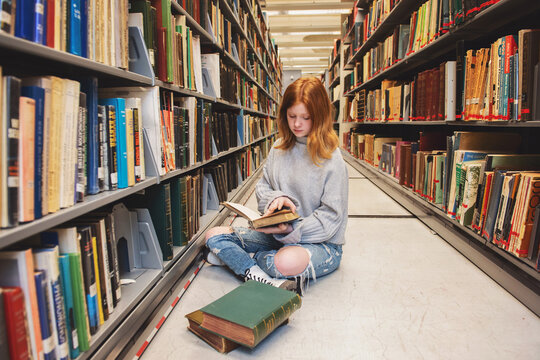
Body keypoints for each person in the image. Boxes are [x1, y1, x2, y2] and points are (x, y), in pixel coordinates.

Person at [204, 77, 348, 294]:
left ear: (319, 117)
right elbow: (263, 187)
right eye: (292, 116)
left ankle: (244, 262)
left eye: (305, 117)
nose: (297, 124)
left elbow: (331, 220)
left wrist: (293, 230)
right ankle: (263, 277)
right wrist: (277, 199)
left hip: (321, 244)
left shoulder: (332, 158)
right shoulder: (278, 148)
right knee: (214, 235)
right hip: (276, 236)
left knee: (285, 262)